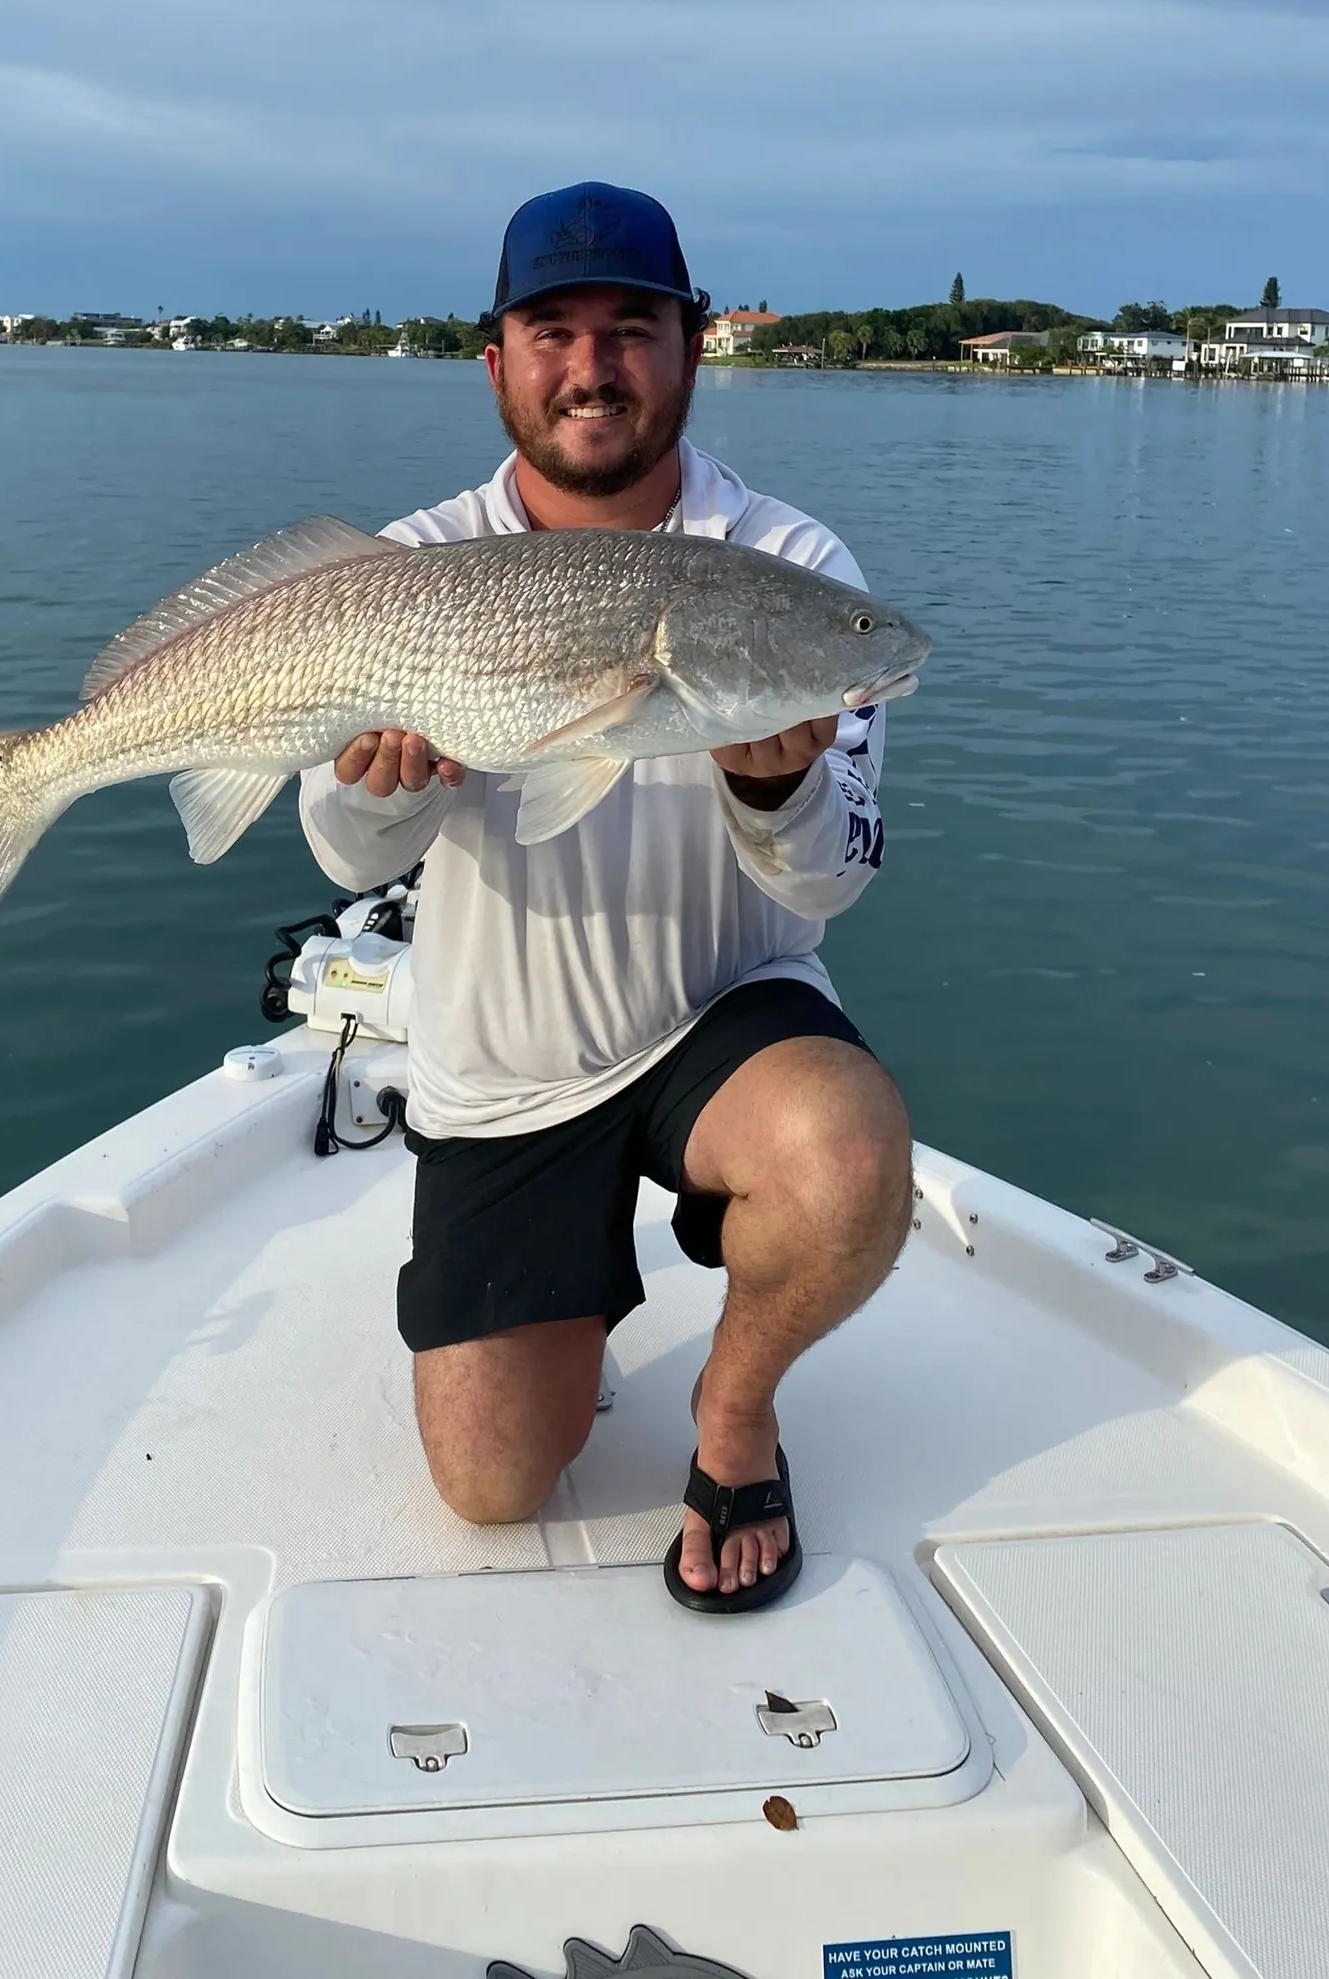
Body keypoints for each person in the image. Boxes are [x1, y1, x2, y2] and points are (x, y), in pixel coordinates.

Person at [298, 183, 911, 1611]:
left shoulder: (798, 578)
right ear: (496, 359)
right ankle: (565, 1292)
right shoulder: (406, 570)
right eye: (553, 329)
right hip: (508, 1069)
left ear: (691, 347)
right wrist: (385, 784)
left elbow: (836, 874)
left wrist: (771, 784)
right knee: (493, 1484)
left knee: (849, 1158)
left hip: (725, 1019)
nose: (592, 366)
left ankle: (736, 1406)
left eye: (631, 327)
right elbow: (345, 858)